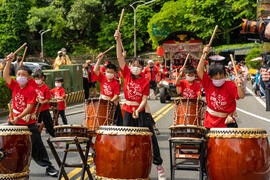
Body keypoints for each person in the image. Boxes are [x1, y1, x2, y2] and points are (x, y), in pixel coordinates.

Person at [114, 30, 166, 180]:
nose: (135, 67)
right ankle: (128, 166)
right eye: (133, 64)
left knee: (151, 138)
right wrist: (118, 40)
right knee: (127, 139)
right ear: (129, 65)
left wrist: (138, 109)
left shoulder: (144, 80)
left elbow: (144, 99)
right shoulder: (127, 75)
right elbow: (119, 57)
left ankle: (159, 166)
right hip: (128, 111)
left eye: (138, 65)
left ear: (142, 68)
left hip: (141, 110)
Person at [3, 53, 58, 177]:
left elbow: (29, 107)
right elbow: (5, 75)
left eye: (23, 75)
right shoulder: (15, 86)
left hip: (27, 123)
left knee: (37, 146)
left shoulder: (31, 90)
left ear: (28, 78)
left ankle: (49, 167)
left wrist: (19, 117)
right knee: (7, 146)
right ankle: (9, 167)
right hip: (14, 122)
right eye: (18, 74)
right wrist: (9, 61)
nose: (20, 77)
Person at [197, 45, 245, 128]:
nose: (218, 79)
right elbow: (199, 71)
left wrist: (239, 85)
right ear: (210, 77)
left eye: (221, 77)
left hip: (227, 122)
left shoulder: (230, 85)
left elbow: (241, 96)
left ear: (225, 76)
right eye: (215, 78)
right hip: (210, 123)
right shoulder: (207, 83)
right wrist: (204, 54)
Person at [93, 54, 122, 125]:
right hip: (103, 102)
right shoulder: (103, 78)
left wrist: (110, 102)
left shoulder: (116, 83)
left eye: (111, 72)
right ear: (105, 71)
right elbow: (95, 70)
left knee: (115, 122)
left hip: (112, 104)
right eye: (108, 72)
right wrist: (99, 60)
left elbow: (116, 95)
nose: (109, 74)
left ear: (115, 73)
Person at [33, 70, 56, 138]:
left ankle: (55, 137)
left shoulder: (45, 88)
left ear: (42, 78)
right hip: (36, 109)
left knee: (49, 125)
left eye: (38, 78)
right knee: (35, 126)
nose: (37, 80)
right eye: (36, 79)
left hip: (44, 109)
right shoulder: (34, 86)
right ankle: (35, 139)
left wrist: (42, 102)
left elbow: (48, 99)